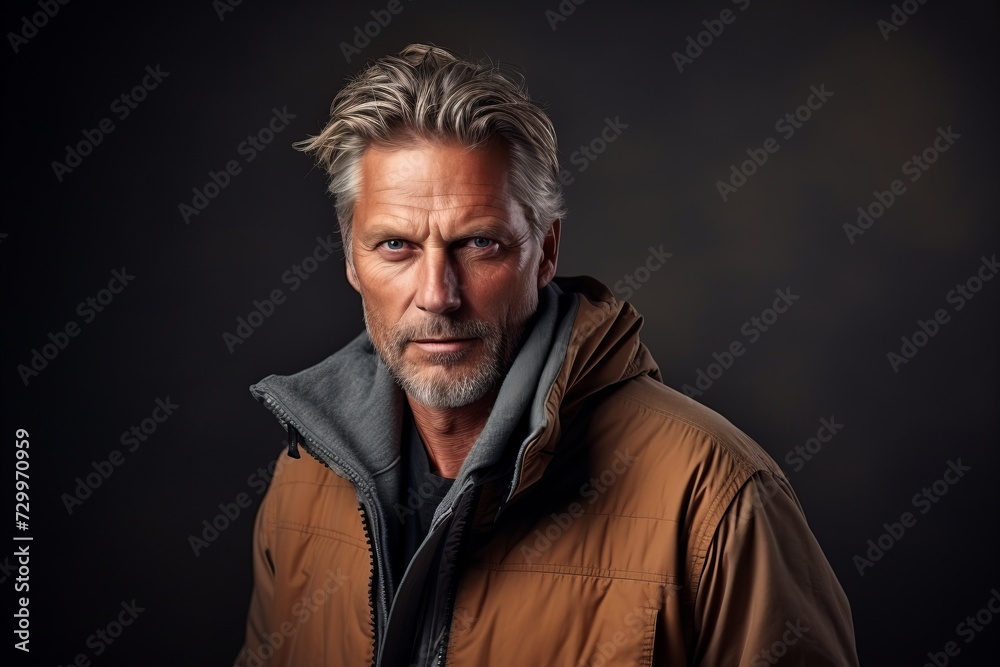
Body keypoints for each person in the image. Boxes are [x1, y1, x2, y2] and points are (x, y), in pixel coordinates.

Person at [235, 43, 859, 667]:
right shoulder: (304, 481)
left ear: (547, 249)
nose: (437, 296)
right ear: (351, 260)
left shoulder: (714, 497)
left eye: (480, 243)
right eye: (395, 245)